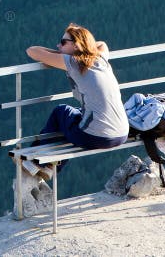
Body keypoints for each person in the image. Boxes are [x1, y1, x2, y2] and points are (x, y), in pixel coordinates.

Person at [24, 23, 129, 178]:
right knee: (74, 118)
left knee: (61, 112)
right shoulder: (100, 58)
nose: (58, 44)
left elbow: (32, 51)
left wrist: (59, 56)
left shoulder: (74, 62)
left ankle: (36, 161)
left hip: (97, 137)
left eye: (63, 42)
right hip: (121, 134)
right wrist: (64, 52)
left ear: (76, 45)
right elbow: (102, 44)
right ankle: (50, 167)